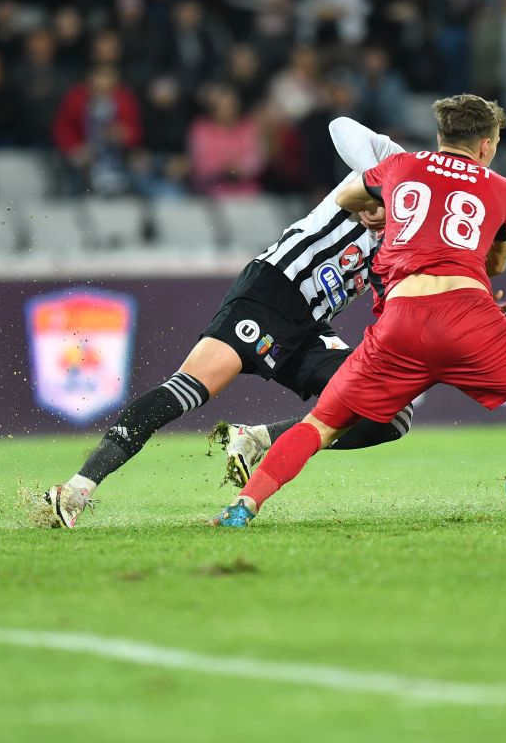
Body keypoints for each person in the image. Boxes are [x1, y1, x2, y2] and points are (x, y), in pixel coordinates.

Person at [212, 94, 506, 527]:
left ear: (439, 136)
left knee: (319, 425)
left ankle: (243, 505)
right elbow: (496, 264)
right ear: (486, 146)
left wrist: (382, 210)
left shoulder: (403, 166)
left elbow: (347, 197)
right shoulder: (500, 187)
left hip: (400, 321)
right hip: (468, 317)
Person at [35, 117, 416, 528]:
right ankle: (75, 490)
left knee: (390, 412)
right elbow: (341, 126)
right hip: (273, 291)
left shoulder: (425, 222)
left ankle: (255, 438)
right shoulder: (397, 167)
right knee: (189, 388)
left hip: (310, 325)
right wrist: (379, 190)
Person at [52, 65, 143, 196]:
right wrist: (75, 148)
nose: (104, 82)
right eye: (100, 77)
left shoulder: (125, 99)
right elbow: (63, 127)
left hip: (117, 156)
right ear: (90, 79)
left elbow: (135, 131)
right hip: (83, 155)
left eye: (109, 77)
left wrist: (123, 135)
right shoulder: (76, 98)